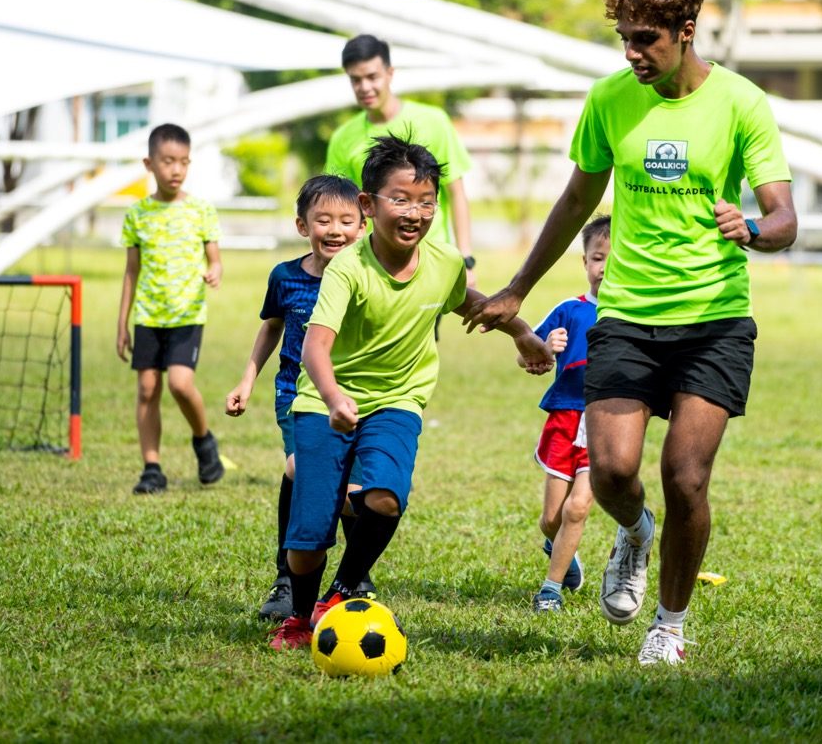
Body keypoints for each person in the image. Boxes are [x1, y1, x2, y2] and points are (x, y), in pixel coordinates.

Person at [465, 0, 797, 666]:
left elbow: (784, 215)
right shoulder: (612, 98)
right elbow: (577, 199)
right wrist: (519, 287)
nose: (631, 53)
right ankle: (635, 531)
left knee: (687, 476)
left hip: (715, 319)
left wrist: (756, 232)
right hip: (627, 315)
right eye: (622, 38)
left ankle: (669, 625)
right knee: (612, 472)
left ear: (686, 31)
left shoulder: (741, 103)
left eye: (644, 38)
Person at [268, 134, 554, 650]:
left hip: (399, 400)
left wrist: (523, 334)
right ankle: (297, 616)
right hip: (323, 404)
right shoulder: (347, 268)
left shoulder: (443, 262)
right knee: (308, 540)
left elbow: (469, 301)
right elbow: (314, 348)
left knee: (383, 499)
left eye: (426, 202)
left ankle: (340, 594)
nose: (415, 213)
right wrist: (333, 398)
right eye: (400, 199)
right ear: (367, 205)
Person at [225, 175, 369, 622]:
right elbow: (271, 326)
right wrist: (247, 380)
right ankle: (287, 577)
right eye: (322, 219)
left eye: (347, 220)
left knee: (355, 487)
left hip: (355, 396)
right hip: (297, 394)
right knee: (300, 468)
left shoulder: (367, 274)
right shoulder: (285, 277)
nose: (335, 229)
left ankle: (355, 578)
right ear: (302, 226)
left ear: (363, 226)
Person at [117, 123, 225, 495]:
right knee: (147, 389)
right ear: (149, 164)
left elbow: (215, 259)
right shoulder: (136, 215)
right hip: (148, 315)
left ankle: (204, 440)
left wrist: (214, 271)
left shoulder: (201, 211)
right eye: (167, 161)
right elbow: (131, 273)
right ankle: (152, 468)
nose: (175, 170)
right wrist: (122, 324)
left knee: (180, 384)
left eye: (182, 162)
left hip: (187, 315)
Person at [325, 34, 478, 287]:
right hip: (369, 265)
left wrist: (466, 258)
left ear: (390, 73)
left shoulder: (433, 121)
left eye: (372, 77)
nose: (364, 87)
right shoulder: (343, 138)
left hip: (428, 262)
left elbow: (456, 192)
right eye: (355, 79)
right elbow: (340, 205)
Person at [528, 215, 611, 614]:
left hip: (606, 421)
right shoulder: (568, 310)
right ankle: (561, 547)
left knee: (578, 508)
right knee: (551, 519)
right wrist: (545, 346)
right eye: (598, 258)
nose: (605, 267)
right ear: (585, 262)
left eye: (616, 258)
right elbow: (528, 354)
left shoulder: (633, 317)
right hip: (563, 419)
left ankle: (550, 590)